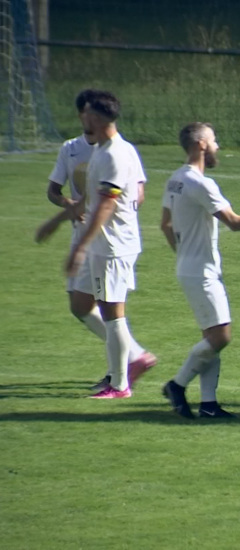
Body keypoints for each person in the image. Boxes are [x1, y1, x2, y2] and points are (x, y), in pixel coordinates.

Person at [160, 123, 240, 419]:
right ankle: (177, 385)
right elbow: (233, 221)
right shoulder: (199, 183)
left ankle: (208, 405)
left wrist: (184, 255)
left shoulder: (175, 180)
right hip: (201, 271)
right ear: (202, 144)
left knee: (211, 336)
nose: (218, 146)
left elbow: (165, 225)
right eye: (214, 141)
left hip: (190, 267)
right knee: (221, 336)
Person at [37, 90, 156, 392]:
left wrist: (80, 247)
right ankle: (130, 361)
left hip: (112, 246)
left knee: (112, 313)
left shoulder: (116, 154)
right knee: (81, 303)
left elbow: (105, 205)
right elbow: (89, 201)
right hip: (100, 244)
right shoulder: (102, 151)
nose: (82, 117)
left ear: (97, 118)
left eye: (87, 113)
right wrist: (55, 222)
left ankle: (119, 384)